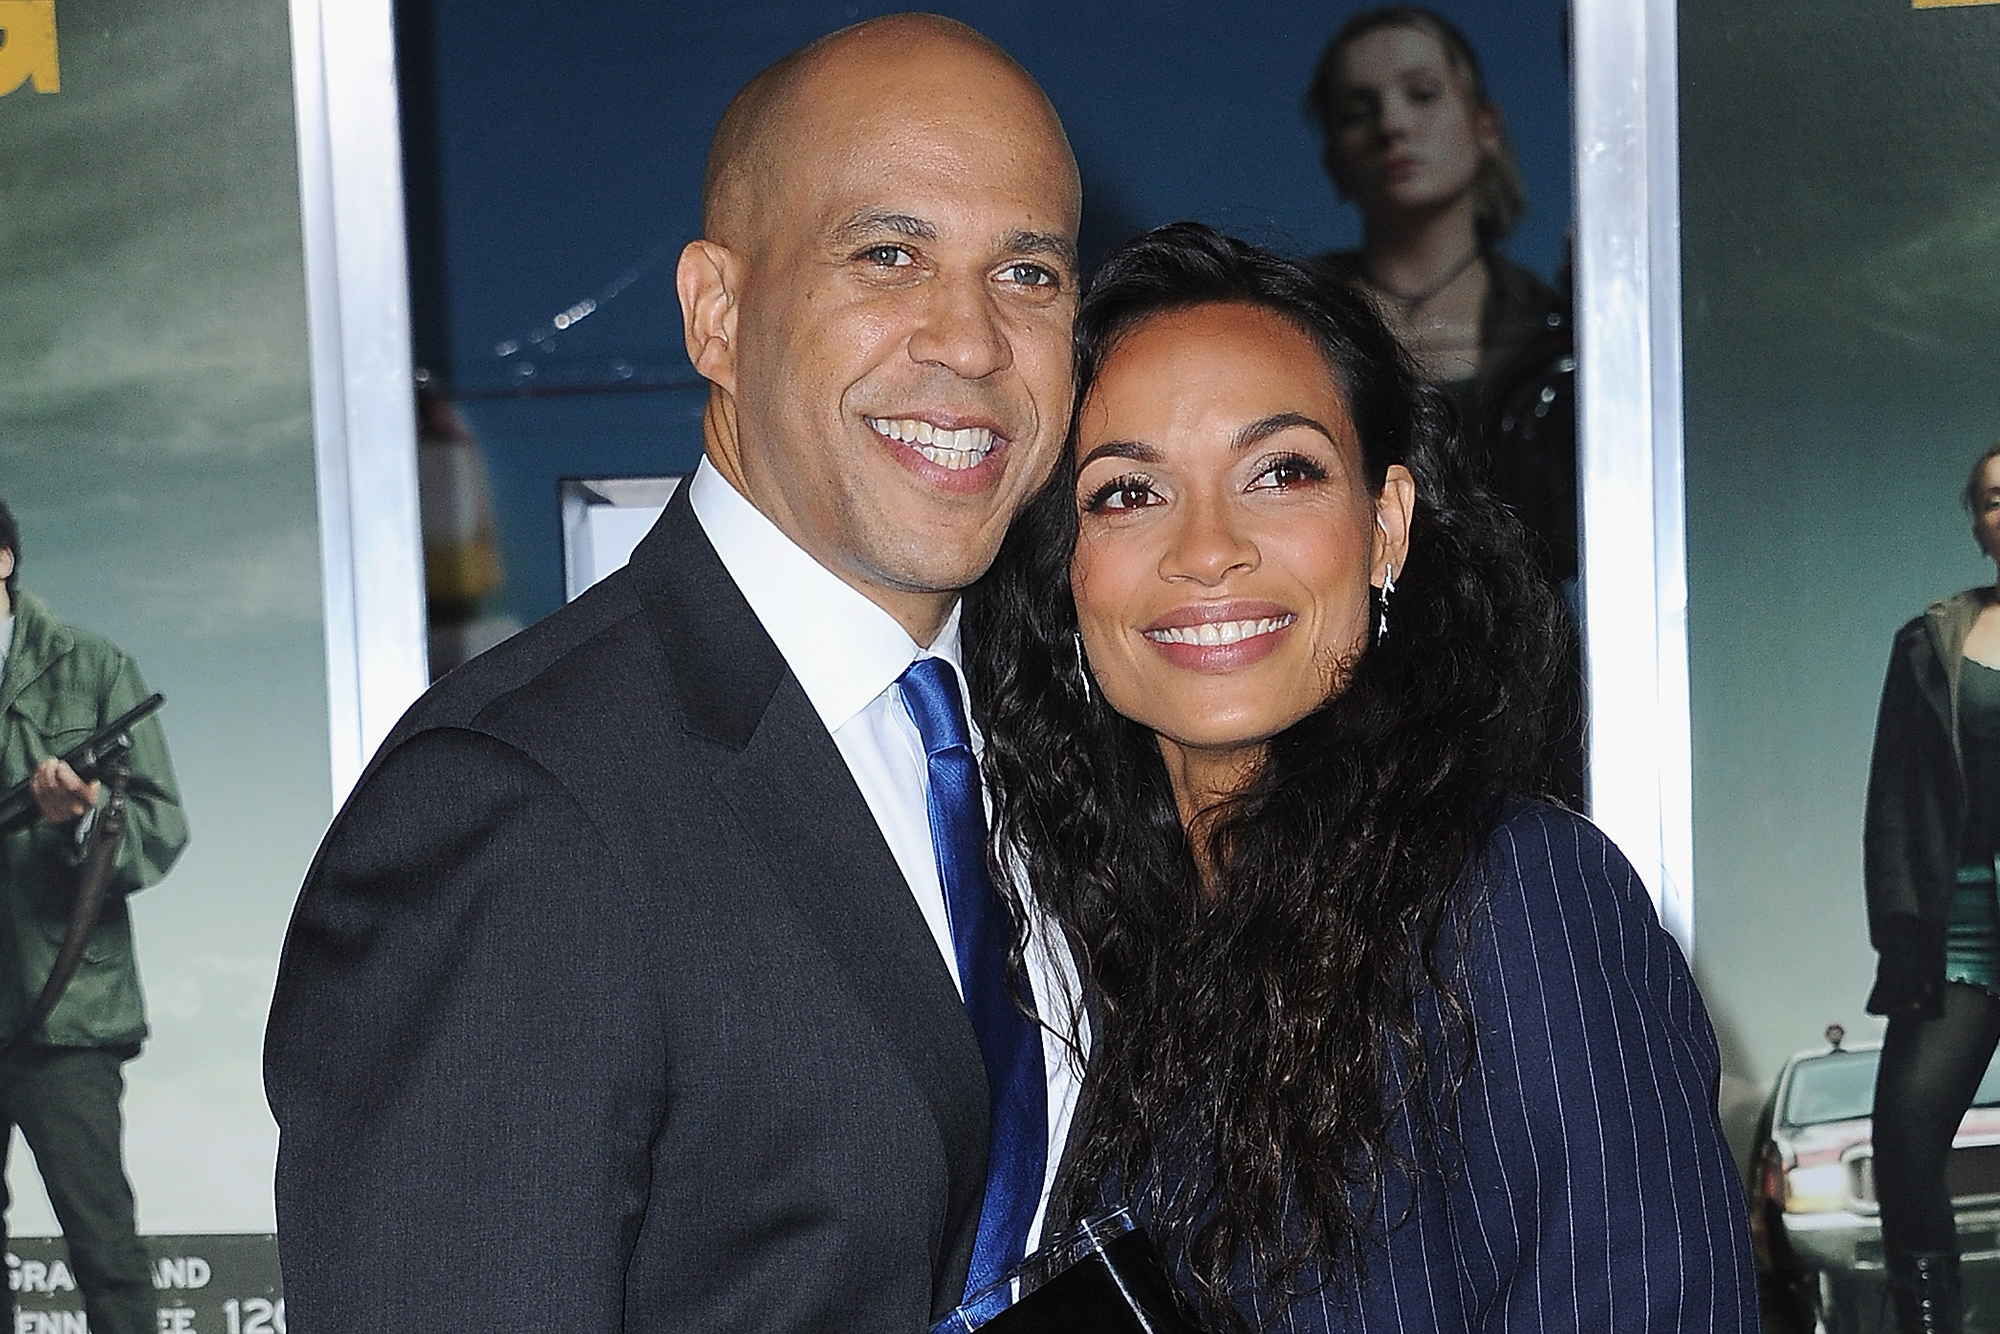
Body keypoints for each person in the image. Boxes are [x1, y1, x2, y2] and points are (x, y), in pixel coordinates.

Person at [264, 15, 1087, 1332]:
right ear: (717, 311)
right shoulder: (520, 804)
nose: (974, 341)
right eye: (889, 254)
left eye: (1031, 274)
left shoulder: (1045, 746)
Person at [966, 224, 1756, 1331]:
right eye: (1127, 493)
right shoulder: (1077, 953)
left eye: (1279, 471)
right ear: (1065, 572)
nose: (1207, 548)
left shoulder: (1516, 898)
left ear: (1383, 526)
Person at [1305, 7, 1582, 805]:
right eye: (1358, 110)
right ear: (1334, 157)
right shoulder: (1288, 330)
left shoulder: (1565, 334)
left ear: (1483, 125)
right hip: (1335, 716)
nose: (1392, 124)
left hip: (1525, 711)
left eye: (1420, 94)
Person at [0, 497, 187, 1334]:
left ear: (3, 559)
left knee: (103, 1248)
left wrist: (82, 816)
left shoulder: (93, 666)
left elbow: (158, 830)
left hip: (65, 1010)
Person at [1864, 442, 2000, 1334]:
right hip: (1966, 923)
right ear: (1979, 524)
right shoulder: (1931, 640)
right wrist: (1901, 936)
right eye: (1993, 498)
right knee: (1906, 1143)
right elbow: (1894, 805)